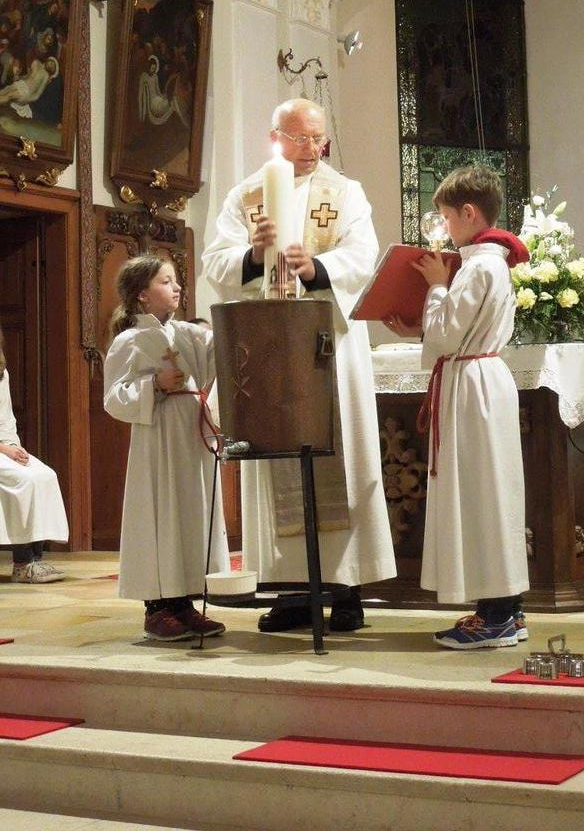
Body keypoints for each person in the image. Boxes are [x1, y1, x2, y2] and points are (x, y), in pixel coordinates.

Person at [202, 97, 396, 632]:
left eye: (318, 138)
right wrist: (252, 254)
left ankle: (347, 588)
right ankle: (291, 589)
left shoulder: (345, 192)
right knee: (277, 460)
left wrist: (316, 267)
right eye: (301, 137)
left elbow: (363, 255)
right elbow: (215, 261)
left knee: (342, 456)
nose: (313, 148)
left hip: (328, 343)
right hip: (269, 346)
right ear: (276, 138)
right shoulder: (245, 197)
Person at [387, 165, 530, 648]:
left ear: (469, 213)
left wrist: (434, 283)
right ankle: (506, 609)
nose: (445, 228)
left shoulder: (480, 265)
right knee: (490, 493)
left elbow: (448, 335)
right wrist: (420, 328)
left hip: (473, 386)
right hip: (479, 381)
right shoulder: (490, 263)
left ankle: (496, 616)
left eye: (447, 218)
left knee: (481, 496)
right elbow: (454, 330)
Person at [103, 255, 230, 641]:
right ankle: (157, 608)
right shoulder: (129, 340)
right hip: (157, 437)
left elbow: (222, 351)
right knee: (162, 513)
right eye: (166, 281)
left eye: (176, 281)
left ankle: (185, 602)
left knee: (191, 514)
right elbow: (113, 398)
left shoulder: (188, 333)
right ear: (142, 294)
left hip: (190, 433)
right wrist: (154, 385)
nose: (176, 288)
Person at [0, 327, 68, 582]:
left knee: (44, 475)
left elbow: (6, 418)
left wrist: (14, 447)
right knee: (24, 481)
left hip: (5, 445)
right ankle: (23, 563)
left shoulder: (1, 372)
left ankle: (36, 561)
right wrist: (3, 449)